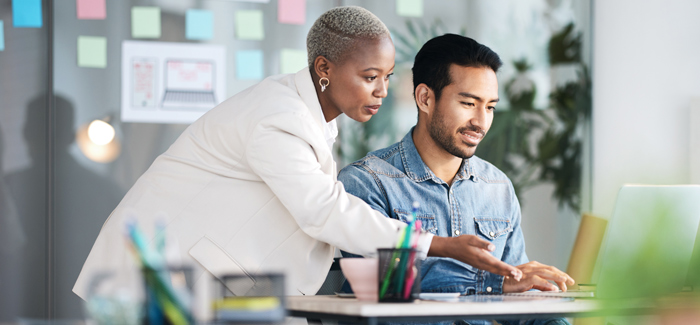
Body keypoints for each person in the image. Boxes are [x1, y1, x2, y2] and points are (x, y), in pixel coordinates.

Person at [73, 7, 522, 303]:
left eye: (386, 76)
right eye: (369, 76)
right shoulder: (278, 116)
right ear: (324, 68)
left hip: (203, 282)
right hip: (153, 278)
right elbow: (322, 211)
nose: (382, 91)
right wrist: (441, 245)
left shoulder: (313, 118)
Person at [337, 34, 574, 325]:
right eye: (468, 103)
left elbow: (519, 295)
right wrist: (493, 283)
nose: (481, 121)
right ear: (425, 98)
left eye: (489, 107)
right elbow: (384, 294)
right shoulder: (367, 182)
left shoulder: (497, 187)